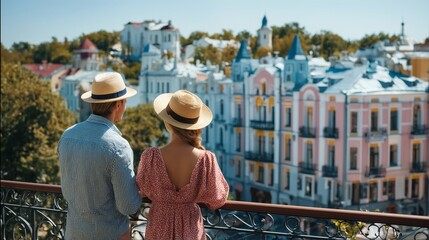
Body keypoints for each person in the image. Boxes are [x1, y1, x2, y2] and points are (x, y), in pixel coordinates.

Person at [58, 72, 141, 240]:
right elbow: (128, 206)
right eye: (124, 102)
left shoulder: (67, 136)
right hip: (109, 234)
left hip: (73, 233)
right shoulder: (118, 146)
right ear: (118, 105)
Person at [136, 90, 229, 239]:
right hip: (189, 226)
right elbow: (216, 199)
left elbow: (142, 189)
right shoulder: (206, 159)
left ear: (168, 122)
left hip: (159, 225)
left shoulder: (151, 157)